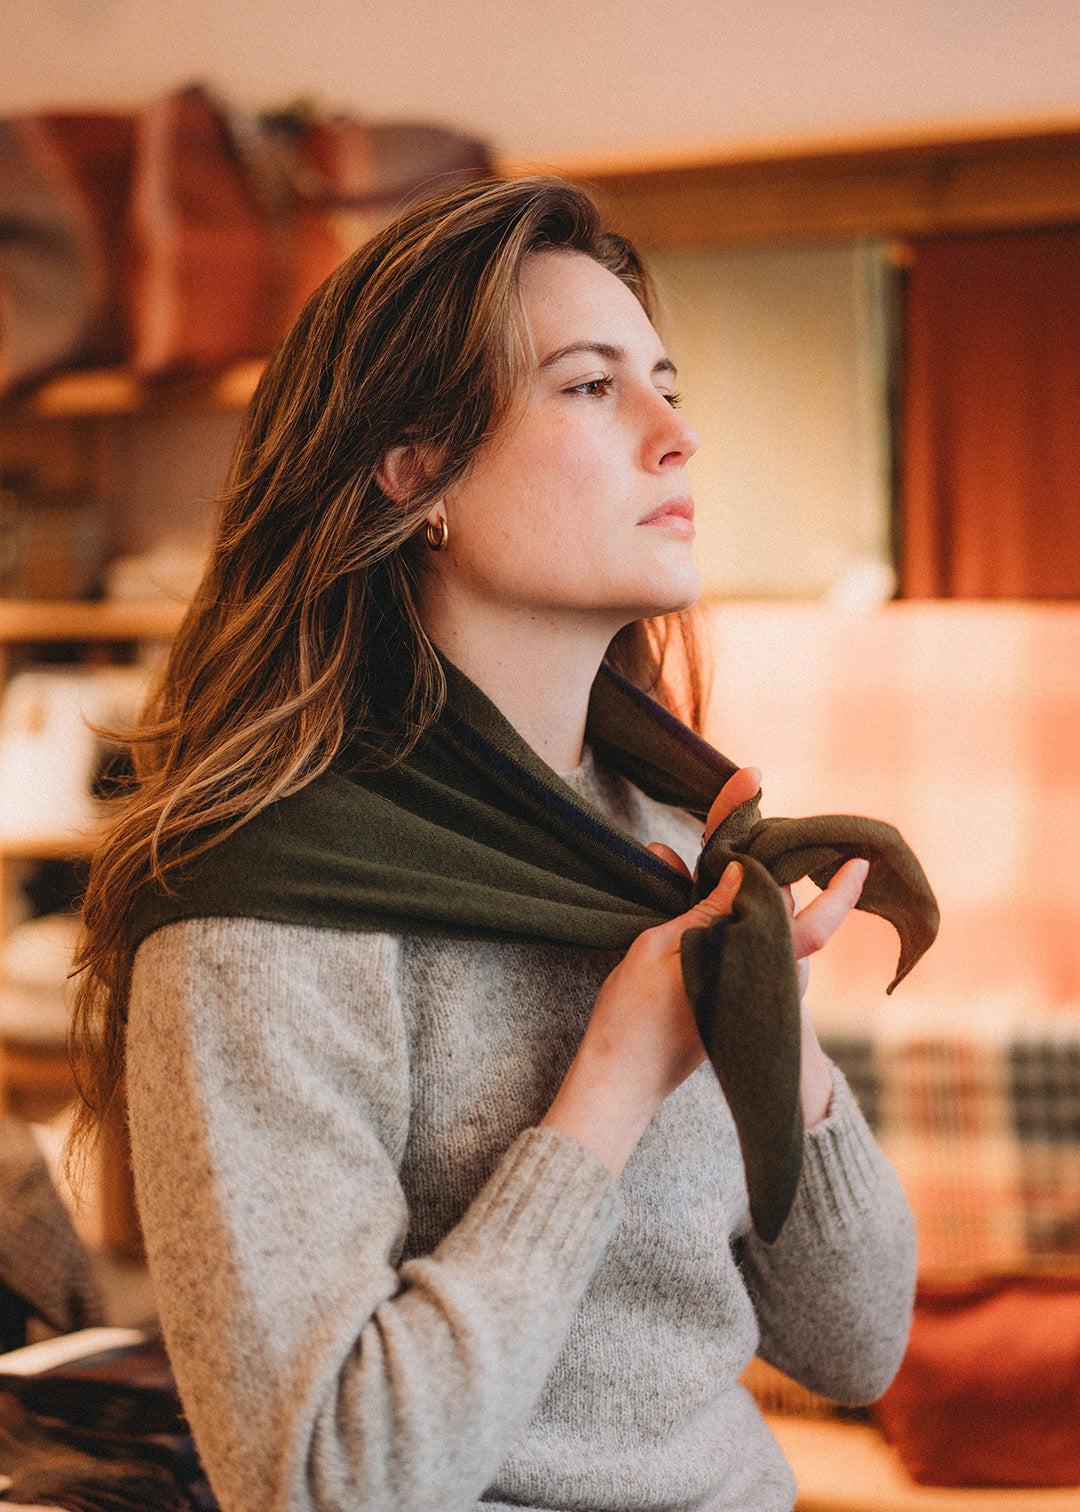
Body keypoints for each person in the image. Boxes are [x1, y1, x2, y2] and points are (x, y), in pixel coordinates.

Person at [70, 176, 916, 1512]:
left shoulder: (673, 844)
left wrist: (779, 1030)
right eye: (591, 387)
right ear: (413, 469)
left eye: (665, 384)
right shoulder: (258, 915)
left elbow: (858, 1346)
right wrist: (613, 1084)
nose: (677, 435)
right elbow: (323, 1481)